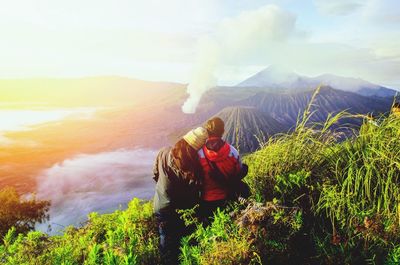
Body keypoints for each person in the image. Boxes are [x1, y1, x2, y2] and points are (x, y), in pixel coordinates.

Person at [153, 127, 208, 265]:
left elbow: (155, 175)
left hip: (161, 208)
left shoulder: (163, 152)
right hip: (182, 212)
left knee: (167, 248)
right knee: (185, 247)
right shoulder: (193, 168)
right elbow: (198, 191)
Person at [198, 117, 249, 222]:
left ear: (207, 132)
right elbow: (238, 174)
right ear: (223, 131)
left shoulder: (199, 155)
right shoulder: (233, 152)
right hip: (228, 198)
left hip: (206, 201)